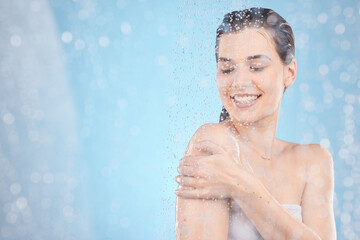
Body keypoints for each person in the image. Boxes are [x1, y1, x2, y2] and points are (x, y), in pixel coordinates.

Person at [174, 7, 336, 240]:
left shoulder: (314, 160)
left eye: (256, 67)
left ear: (289, 72)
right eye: (227, 69)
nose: (239, 83)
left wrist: (242, 186)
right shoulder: (213, 144)